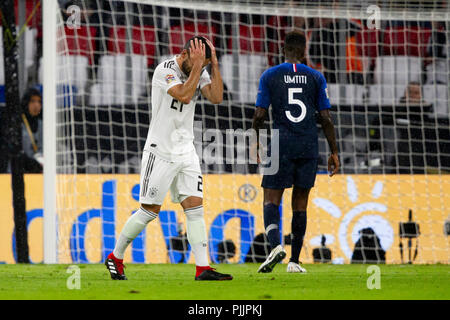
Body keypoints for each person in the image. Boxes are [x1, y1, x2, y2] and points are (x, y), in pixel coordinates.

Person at [105, 37, 232, 281]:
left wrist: (213, 65)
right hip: (160, 151)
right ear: (185, 54)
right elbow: (183, 95)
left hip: (186, 151)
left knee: (194, 208)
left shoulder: (199, 69)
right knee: (149, 211)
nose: (201, 69)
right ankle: (116, 256)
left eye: (204, 65)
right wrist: (197, 67)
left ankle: (203, 268)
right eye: (199, 64)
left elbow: (216, 98)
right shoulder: (165, 70)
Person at [252, 31, 339, 274]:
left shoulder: (270, 75)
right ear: (304, 51)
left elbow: (259, 115)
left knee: (271, 199)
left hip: (280, 143)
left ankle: (274, 247)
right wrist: (334, 151)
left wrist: (254, 139)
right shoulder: (316, 77)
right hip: (308, 144)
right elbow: (325, 118)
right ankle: (294, 261)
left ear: (283, 49)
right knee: (300, 204)